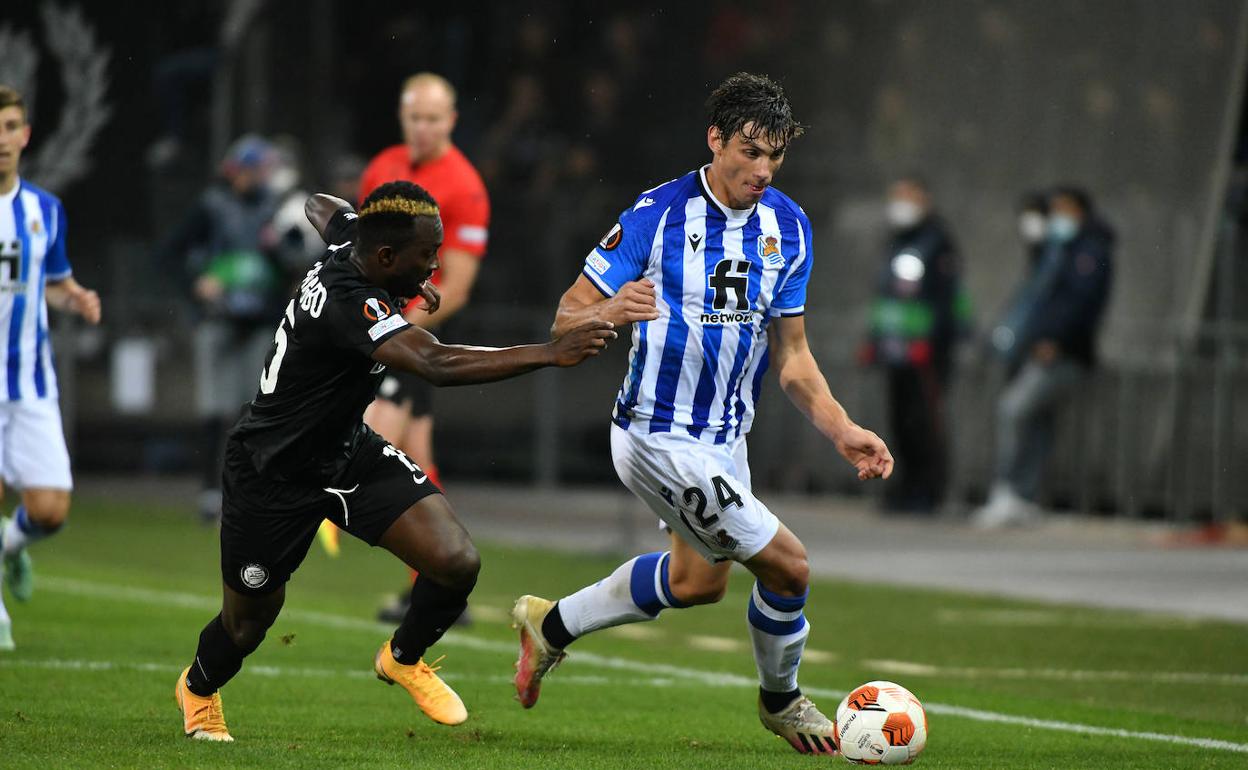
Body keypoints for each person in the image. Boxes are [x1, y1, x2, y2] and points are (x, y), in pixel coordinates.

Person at [508, 73, 893, 756]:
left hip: (724, 439)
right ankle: (781, 701)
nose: (763, 170)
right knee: (790, 568)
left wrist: (842, 428)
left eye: (775, 155)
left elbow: (793, 357)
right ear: (715, 140)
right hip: (657, 432)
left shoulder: (789, 227)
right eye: (751, 152)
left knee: (696, 583)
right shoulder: (657, 214)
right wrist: (611, 308)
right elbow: (567, 315)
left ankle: (551, 625)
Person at [173, 182, 614, 742]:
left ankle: (402, 658)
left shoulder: (356, 242)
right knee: (247, 624)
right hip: (271, 471)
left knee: (455, 561)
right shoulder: (351, 302)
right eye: (426, 256)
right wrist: (549, 354)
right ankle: (199, 688)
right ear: (385, 257)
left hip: (346, 453)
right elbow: (435, 363)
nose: (434, 267)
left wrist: (387, 256)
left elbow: (319, 205)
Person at [357, 73, 491, 622]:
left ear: (451, 120)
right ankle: (438, 589)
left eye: (433, 118)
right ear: (402, 117)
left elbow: (455, 287)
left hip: (410, 338)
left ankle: (294, 521)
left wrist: (394, 333)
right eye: (415, 117)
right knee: (417, 459)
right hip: (379, 329)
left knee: (370, 449)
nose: (423, 127)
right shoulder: (382, 167)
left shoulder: (465, 186)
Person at [0, 85, 102, 651]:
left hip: (30, 382)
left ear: (25, 135)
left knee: (50, 509)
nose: (2, 139)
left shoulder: (44, 209)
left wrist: (76, 297)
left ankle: (11, 546)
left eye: (10, 126)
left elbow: (53, 283)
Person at [159, 134, 284, 522]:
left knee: (256, 411)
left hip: (260, 322)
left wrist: (283, 260)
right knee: (214, 410)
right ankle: (210, 492)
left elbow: (290, 262)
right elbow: (169, 252)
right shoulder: (212, 206)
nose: (256, 176)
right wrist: (195, 284)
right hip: (218, 319)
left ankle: (251, 489)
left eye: (261, 169)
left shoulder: (277, 209)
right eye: (250, 169)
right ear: (233, 171)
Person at [974, 186, 1114, 527]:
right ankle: (1024, 496)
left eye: (1065, 209)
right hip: (1038, 349)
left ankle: (1009, 490)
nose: (1057, 217)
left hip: (1062, 352)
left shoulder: (1088, 252)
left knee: (1013, 409)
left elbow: (1079, 304)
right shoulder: (1057, 250)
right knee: (1037, 423)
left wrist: (1055, 340)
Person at [862, 176, 966, 514]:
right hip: (896, 350)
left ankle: (928, 491)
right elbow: (887, 297)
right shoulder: (895, 240)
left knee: (925, 422)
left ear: (924, 200)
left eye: (908, 196)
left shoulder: (938, 243)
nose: (900, 204)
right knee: (901, 421)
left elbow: (946, 300)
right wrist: (875, 340)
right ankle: (904, 487)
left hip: (926, 353)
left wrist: (930, 340)